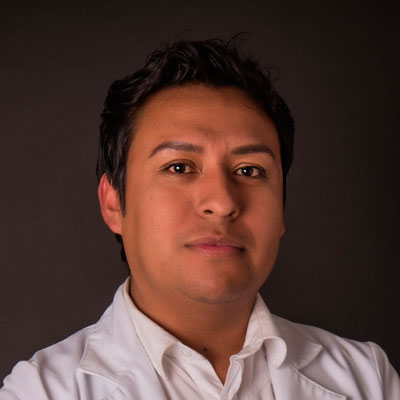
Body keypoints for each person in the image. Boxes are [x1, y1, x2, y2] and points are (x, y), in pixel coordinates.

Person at [1, 38, 399, 400]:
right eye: (179, 167)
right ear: (113, 203)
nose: (222, 202)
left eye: (249, 170)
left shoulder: (367, 379)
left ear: (281, 207)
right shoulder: (39, 392)